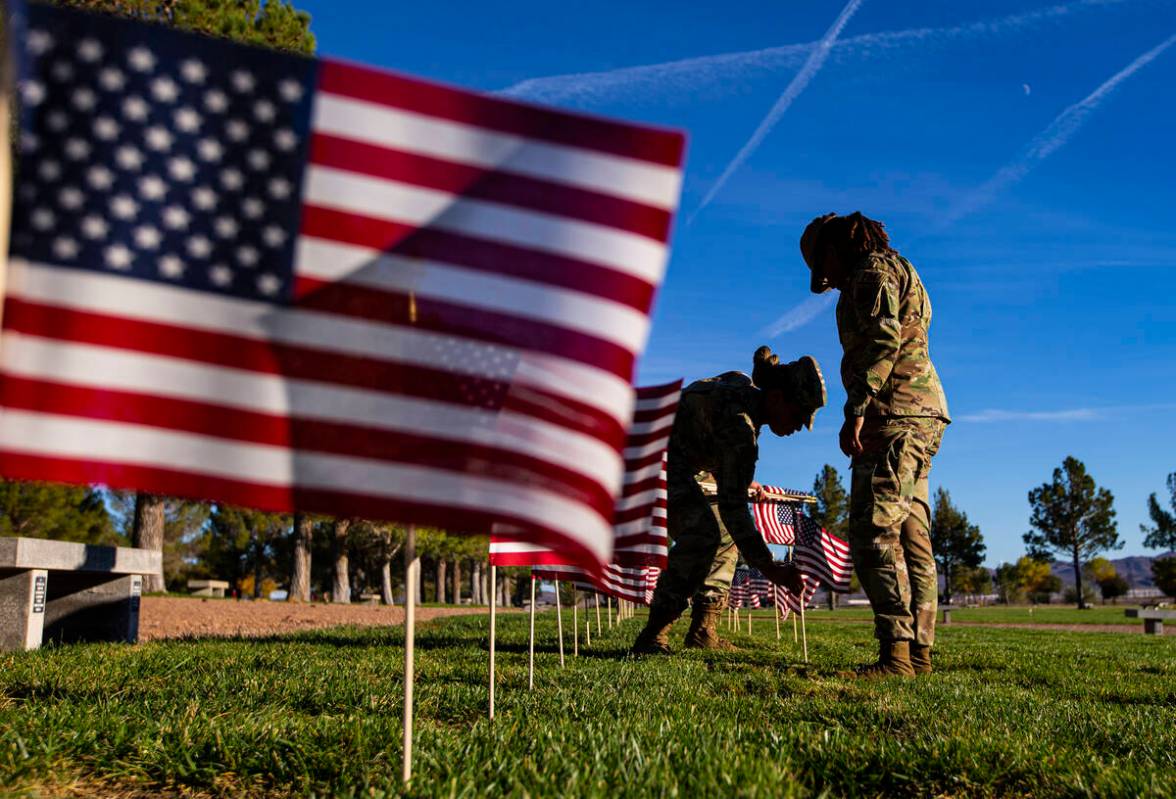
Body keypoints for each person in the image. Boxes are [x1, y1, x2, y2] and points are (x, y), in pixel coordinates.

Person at [799, 212, 950, 677]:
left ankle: (897, 656)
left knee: (872, 535)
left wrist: (858, 407)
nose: (826, 278)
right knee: (911, 536)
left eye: (821, 263)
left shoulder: (872, 272)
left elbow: (883, 340)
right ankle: (918, 653)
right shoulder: (901, 268)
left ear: (834, 249)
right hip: (922, 413)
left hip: (892, 415)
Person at [630, 346, 827, 654]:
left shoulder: (741, 387)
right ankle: (654, 634)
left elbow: (709, 438)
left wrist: (737, 476)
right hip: (648, 456)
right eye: (798, 414)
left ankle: (703, 630)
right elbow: (735, 508)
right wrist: (771, 568)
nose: (800, 426)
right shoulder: (740, 426)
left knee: (723, 532)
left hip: (680, 460)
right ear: (776, 398)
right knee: (703, 534)